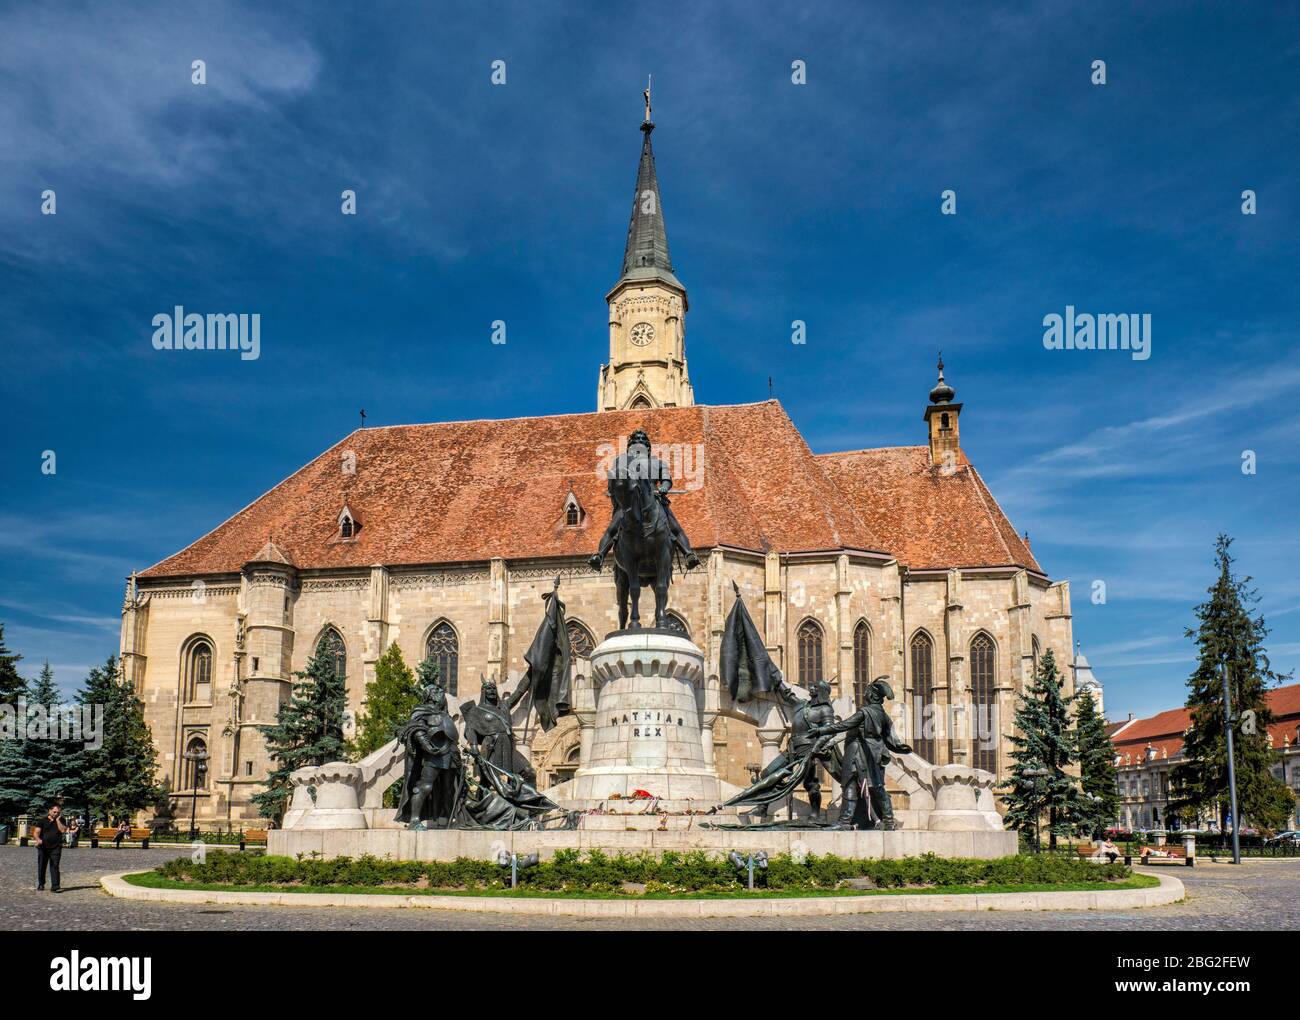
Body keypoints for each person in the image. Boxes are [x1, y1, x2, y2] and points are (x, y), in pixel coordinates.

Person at [33, 804, 75, 892]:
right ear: (49, 811)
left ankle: (55, 885)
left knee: (55, 865)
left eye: (58, 812)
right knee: (42, 865)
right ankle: (41, 884)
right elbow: (36, 832)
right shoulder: (42, 820)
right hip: (43, 847)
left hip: (56, 847)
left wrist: (58, 820)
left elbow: (63, 830)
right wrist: (38, 839)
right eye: (54, 812)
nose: (56, 813)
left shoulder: (61, 820)